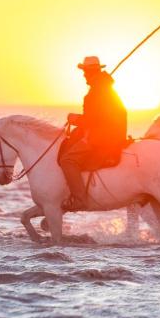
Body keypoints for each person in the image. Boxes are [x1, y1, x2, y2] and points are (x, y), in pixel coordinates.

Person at [58, 56, 128, 211]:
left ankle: (79, 200)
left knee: (67, 161)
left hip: (101, 137)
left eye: (85, 72)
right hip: (110, 134)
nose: (84, 75)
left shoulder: (97, 91)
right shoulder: (104, 88)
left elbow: (94, 119)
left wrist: (74, 118)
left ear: (91, 71)